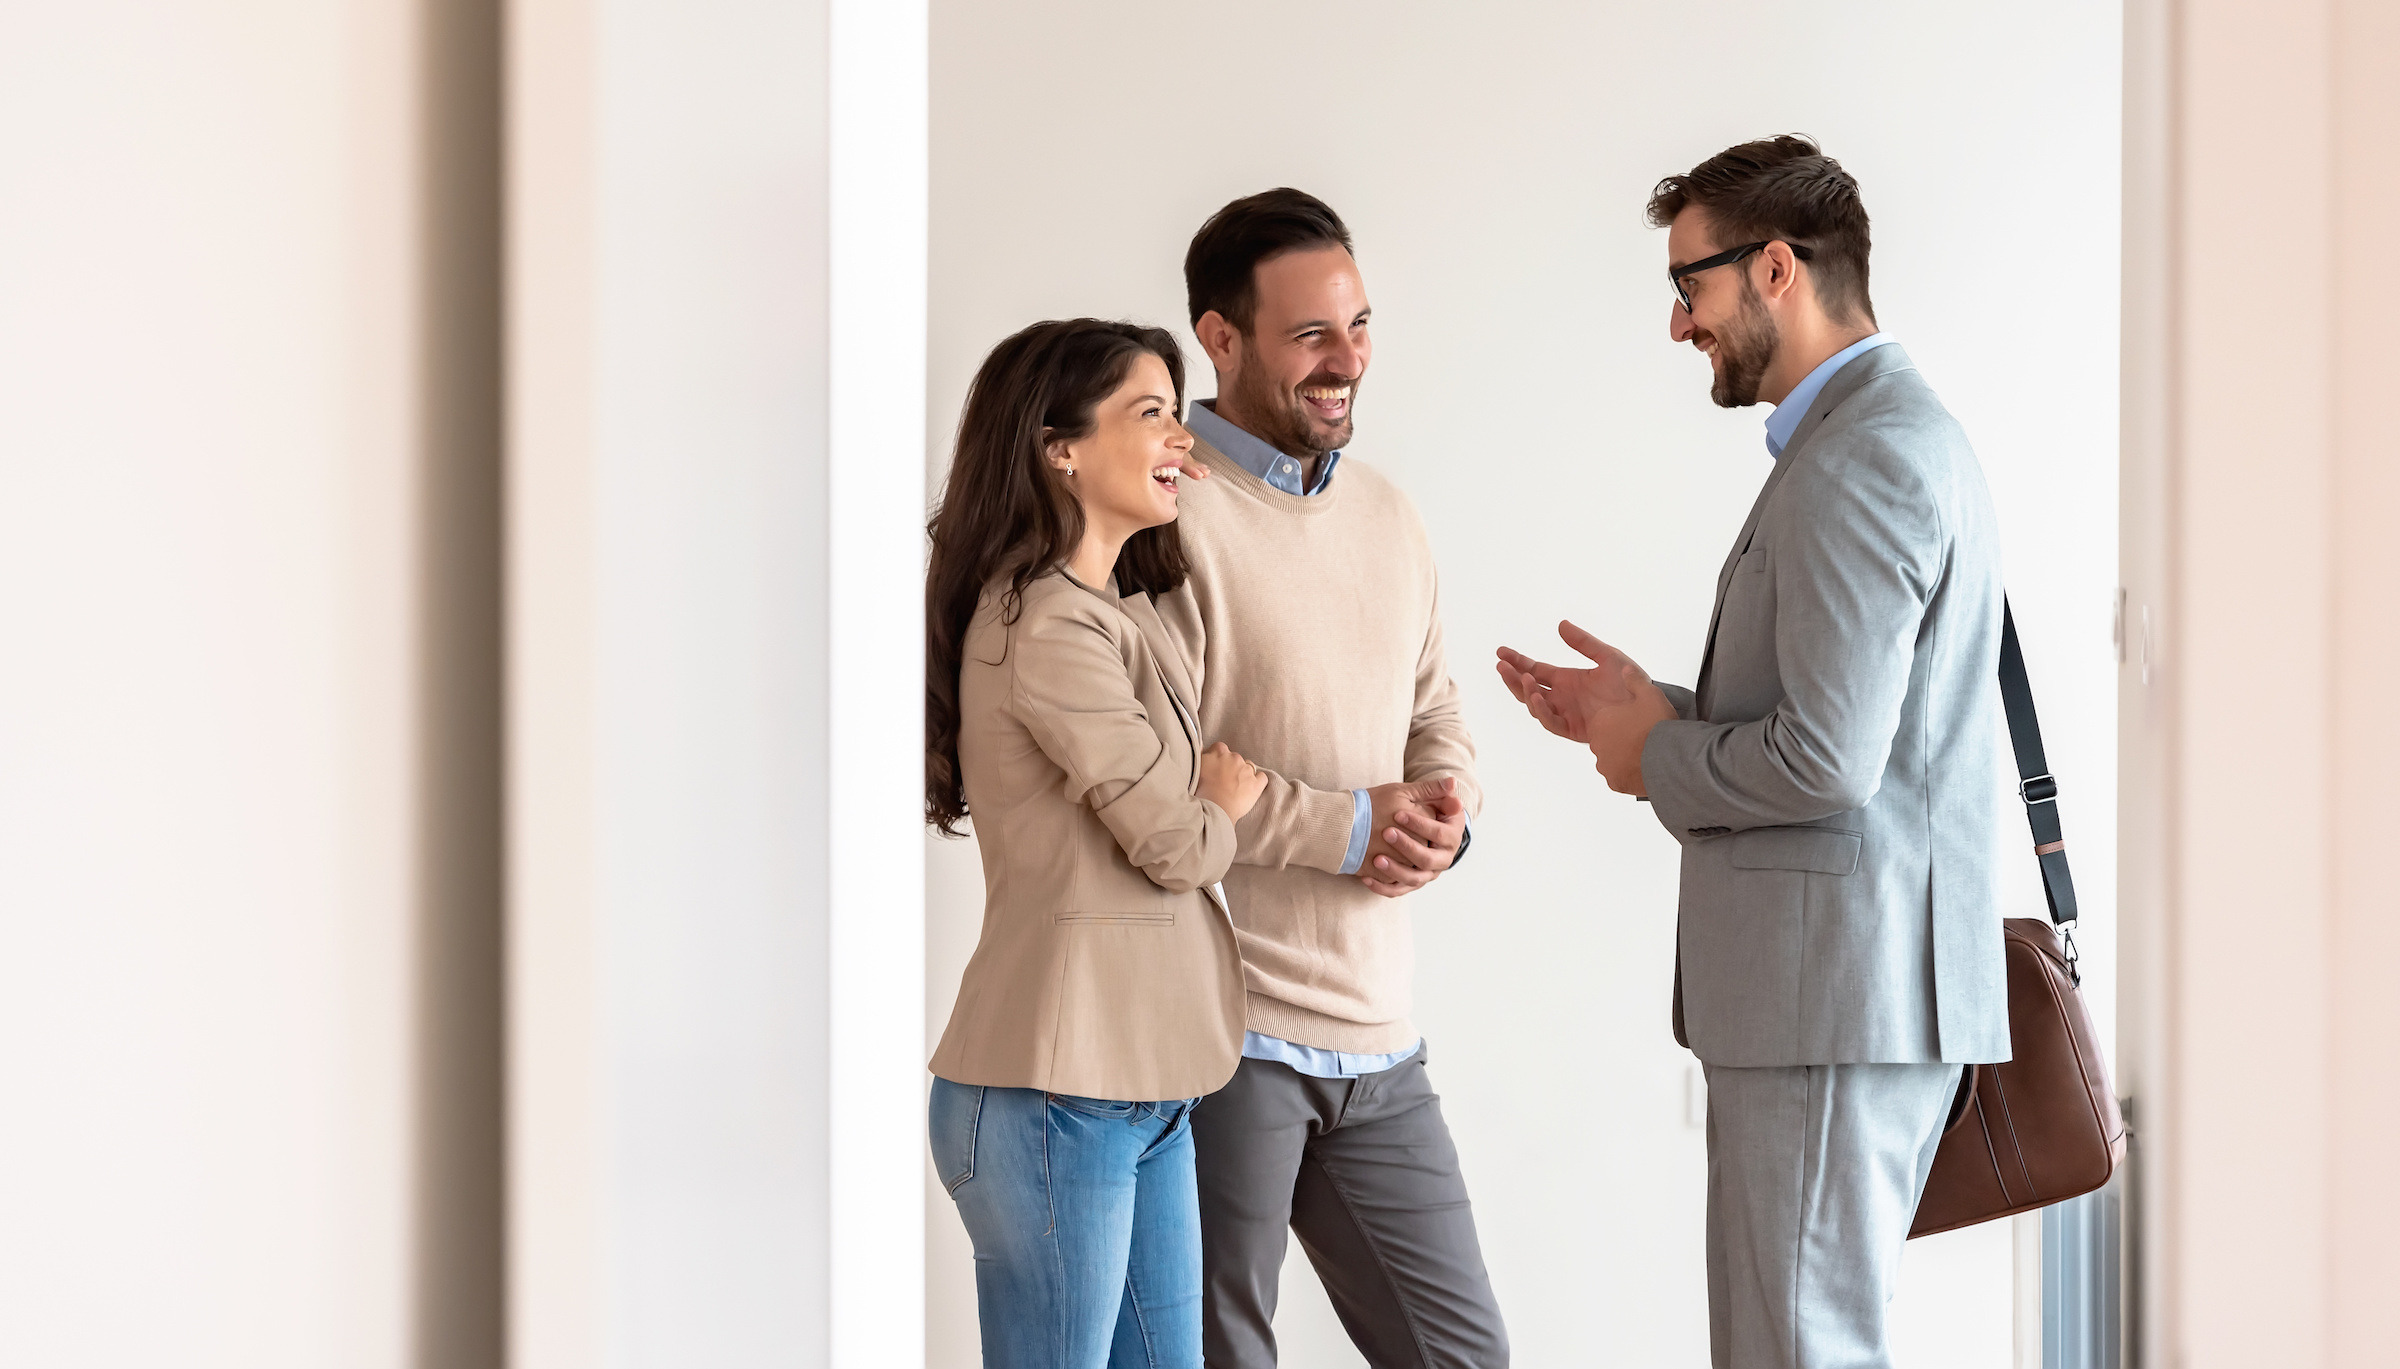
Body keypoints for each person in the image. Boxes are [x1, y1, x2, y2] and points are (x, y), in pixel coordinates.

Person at [1493, 136, 2011, 1369]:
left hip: (1832, 999)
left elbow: (1830, 760)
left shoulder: (1864, 457)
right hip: (1843, 995)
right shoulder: (1882, 436)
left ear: (1775, 267)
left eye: (1692, 288)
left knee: (1798, 1349)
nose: (1681, 325)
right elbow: (1850, 713)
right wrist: (1648, 712)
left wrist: (1657, 758)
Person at [1156, 189, 1508, 1368]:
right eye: (1311, 334)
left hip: (1379, 1038)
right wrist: (1353, 827)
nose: (1346, 361)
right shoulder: (1166, 517)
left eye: (1359, 327)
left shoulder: (1389, 514)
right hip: (1226, 1028)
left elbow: (1432, 701)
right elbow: (1163, 782)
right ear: (1221, 338)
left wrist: (1441, 816)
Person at [924, 318, 1271, 1369]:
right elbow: (1173, 841)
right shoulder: (1045, 623)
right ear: (1059, 448)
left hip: (1137, 1082)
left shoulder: (1108, 613)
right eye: (1153, 412)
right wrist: (1220, 800)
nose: (1185, 439)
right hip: (1054, 1092)